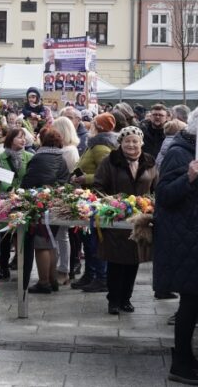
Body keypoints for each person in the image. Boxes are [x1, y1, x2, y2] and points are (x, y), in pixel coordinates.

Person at [155, 104, 198, 383]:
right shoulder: (178, 152)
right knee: (188, 302)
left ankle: (186, 357)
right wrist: (189, 177)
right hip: (184, 239)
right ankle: (179, 364)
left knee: (195, 300)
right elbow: (164, 195)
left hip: (197, 238)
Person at [93, 126, 157, 314]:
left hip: (140, 220)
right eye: (127, 141)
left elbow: (156, 187)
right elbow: (98, 186)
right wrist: (112, 203)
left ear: (141, 143)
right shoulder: (109, 162)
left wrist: (151, 204)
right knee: (115, 261)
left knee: (133, 260)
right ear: (120, 143)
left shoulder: (150, 163)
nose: (131, 144)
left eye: (135, 141)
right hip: (116, 219)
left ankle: (126, 299)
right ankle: (113, 300)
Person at [70, 112, 117, 292]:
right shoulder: (95, 144)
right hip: (88, 197)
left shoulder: (100, 147)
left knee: (93, 239)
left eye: (94, 124)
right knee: (88, 237)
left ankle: (100, 277)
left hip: (94, 197)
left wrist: (85, 179)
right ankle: (91, 274)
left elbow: (106, 172)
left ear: (99, 127)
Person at [21, 127, 70, 293]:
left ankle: (43, 282)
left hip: (41, 205)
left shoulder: (39, 157)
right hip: (57, 203)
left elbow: (29, 181)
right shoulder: (60, 158)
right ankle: (52, 279)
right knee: (51, 242)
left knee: (41, 245)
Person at [0, 126, 33, 280]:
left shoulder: (29, 156)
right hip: (4, 199)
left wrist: (21, 192)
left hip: (23, 198)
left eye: (24, 137)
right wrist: (10, 191)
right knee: (5, 234)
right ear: (10, 139)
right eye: (19, 137)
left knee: (21, 232)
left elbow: (31, 176)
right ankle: (3, 267)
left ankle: (20, 262)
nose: (23, 140)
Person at [49, 116, 79, 285]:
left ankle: (63, 269)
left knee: (62, 234)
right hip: (64, 193)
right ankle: (61, 268)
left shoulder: (67, 151)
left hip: (64, 194)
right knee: (61, 234)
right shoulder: (70, 149)